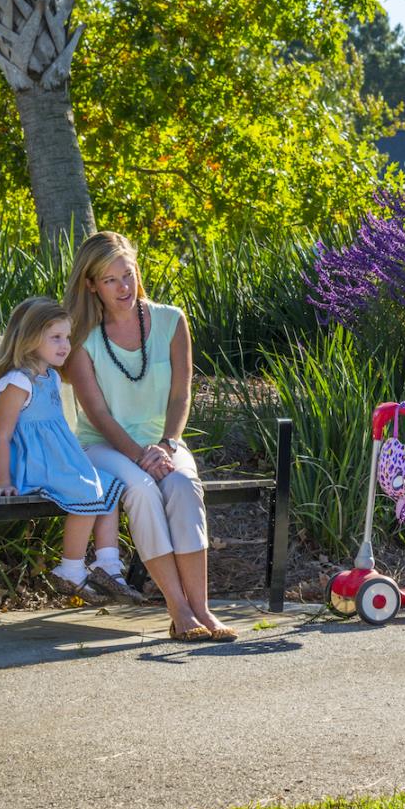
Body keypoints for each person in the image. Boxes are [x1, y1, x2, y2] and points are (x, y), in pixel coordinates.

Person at [62, 231, 237, 643]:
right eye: (110, 280)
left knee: (182, 483)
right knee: (141, 488)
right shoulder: (82, 339)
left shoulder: (171, 320)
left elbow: (182, 392)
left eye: (128, 274)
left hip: (164, 442)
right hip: (104, 445)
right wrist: (142, 456)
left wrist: (168, 444)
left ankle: (203, 611)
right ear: (91, 285)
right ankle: (178, 610)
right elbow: (98, 415)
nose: (124, 287)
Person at [0, 296, 142, 604]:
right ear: (31, 338)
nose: (65, 345)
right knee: (86, 491)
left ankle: (107, 563)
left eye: (66, 337)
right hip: (25, 466)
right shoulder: (18, 382)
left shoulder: (49, 376)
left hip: (52, 461)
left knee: (105, 485)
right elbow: (1, 436)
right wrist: (2, 482)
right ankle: (71, 570)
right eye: (56, 338)